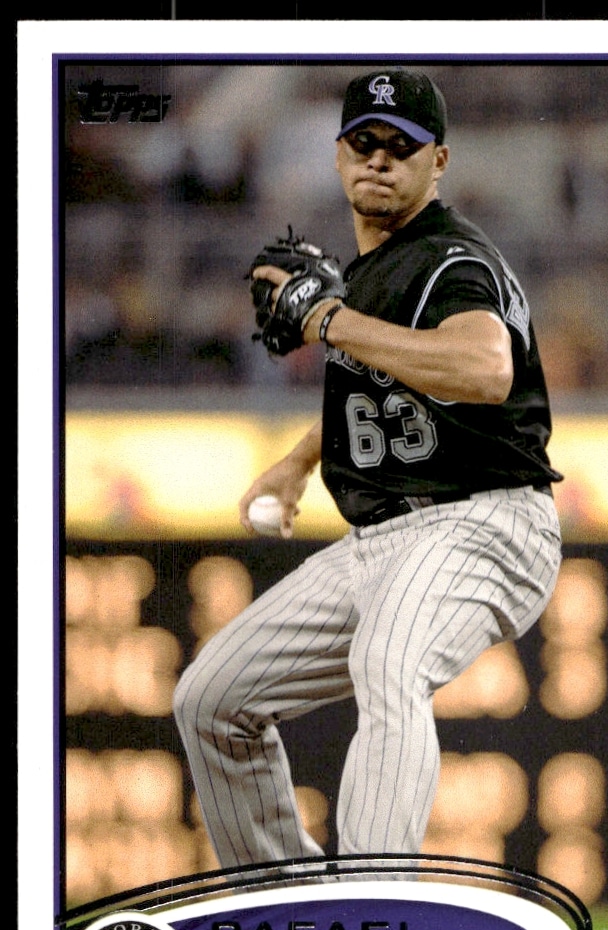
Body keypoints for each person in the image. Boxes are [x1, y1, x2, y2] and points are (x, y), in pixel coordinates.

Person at [173, 69, 564, 871]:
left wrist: (329, 319)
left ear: (437, 161)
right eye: (363, 142)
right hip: (383, 540)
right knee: (211, 698)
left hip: (484, 519)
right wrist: (296, 461)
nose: (379, 159)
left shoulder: (450, 258)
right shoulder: (369, 278)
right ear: (338, 154)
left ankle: (374, 902)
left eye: (400, 145)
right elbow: (386, 386)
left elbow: (484, 368)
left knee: (389, 660)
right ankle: (288, 902)